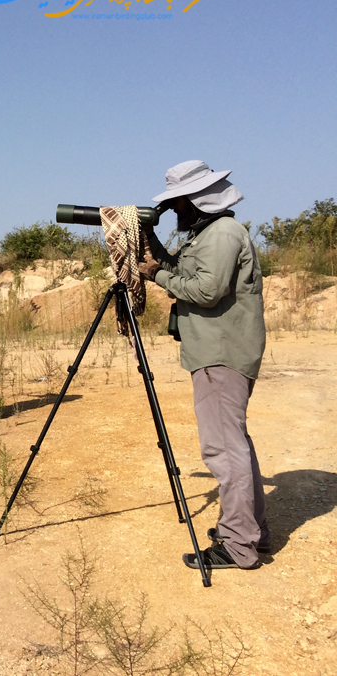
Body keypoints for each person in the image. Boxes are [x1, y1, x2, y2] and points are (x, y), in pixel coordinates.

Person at [138, 160, 269, 571]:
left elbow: (206, 290)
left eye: (179, 203)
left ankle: (237, 546)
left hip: (221, 354)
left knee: (223, 450)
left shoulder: (221, 235)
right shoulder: (211, 234)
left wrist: (157, 276)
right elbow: (181, 270)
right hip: (219, 351)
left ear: (198, 200)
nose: (175, 211)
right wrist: (149, 242)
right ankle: (250, 530)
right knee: (235, 446)